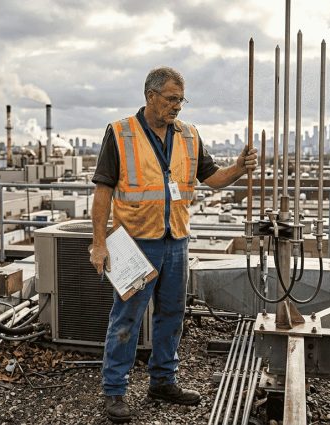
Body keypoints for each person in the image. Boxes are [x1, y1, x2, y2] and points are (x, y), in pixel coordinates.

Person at [90, 66, 257, 423]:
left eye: (181, 100)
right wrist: (98, 244)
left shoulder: (189, 135)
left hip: (175, 240)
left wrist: (240, 168)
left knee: (172, 316)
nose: (177, 106)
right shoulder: (120, 133)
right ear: (150, 96)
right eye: (171, 99)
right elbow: (102, 191)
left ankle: (163, 381)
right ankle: (114, 391)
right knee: (126, 319)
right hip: (133, 244)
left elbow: (212, 179)